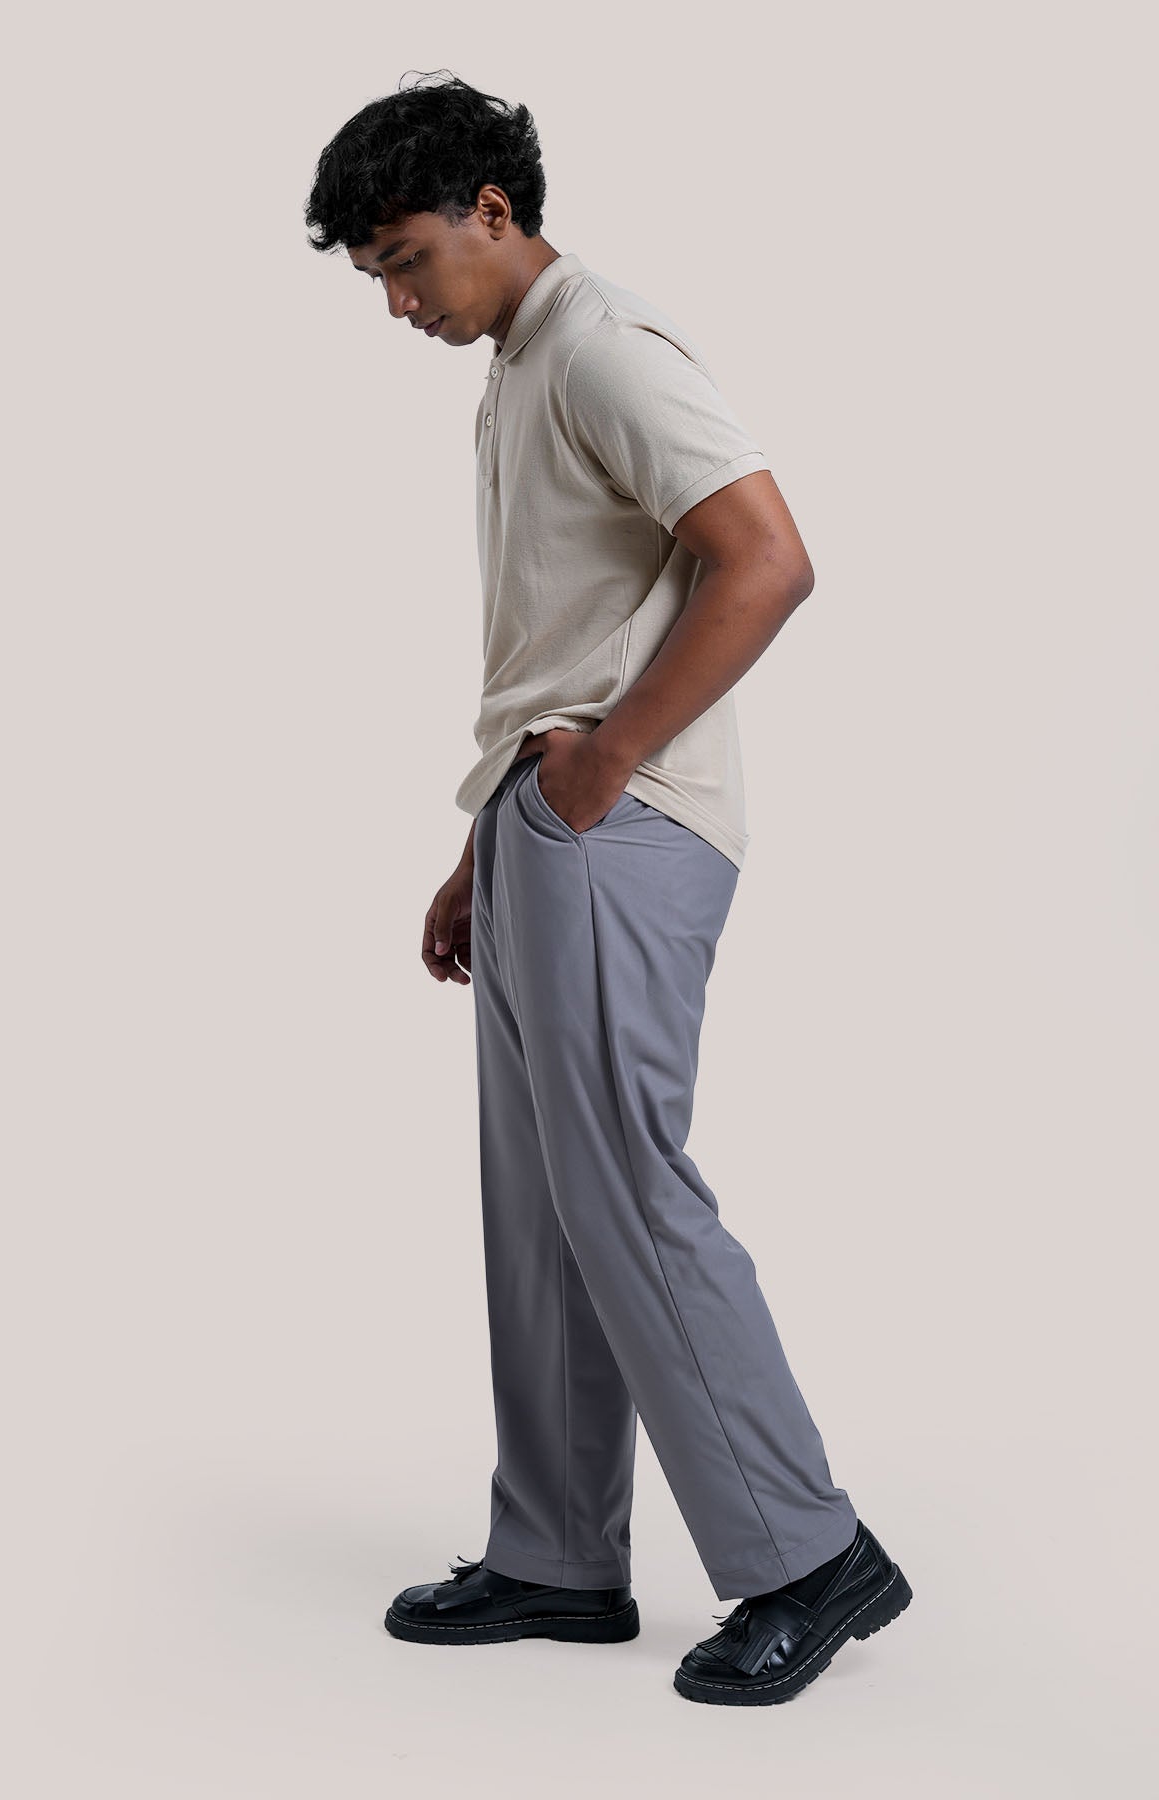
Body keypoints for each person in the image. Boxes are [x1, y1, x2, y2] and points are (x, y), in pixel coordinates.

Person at [305, 69, 912, 1706]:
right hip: (548, 819)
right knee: (545, 1205)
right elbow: (566, 639)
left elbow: (768, 558)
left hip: (620, 823)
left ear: (493, 211)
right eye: (375, 274)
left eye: (407, 259)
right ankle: (561, 1557)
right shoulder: (522, 367)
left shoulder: (603, 346)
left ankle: (809, 1556)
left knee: (628, 1186)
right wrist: (486, 840)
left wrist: (601, 767)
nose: (398, 301)